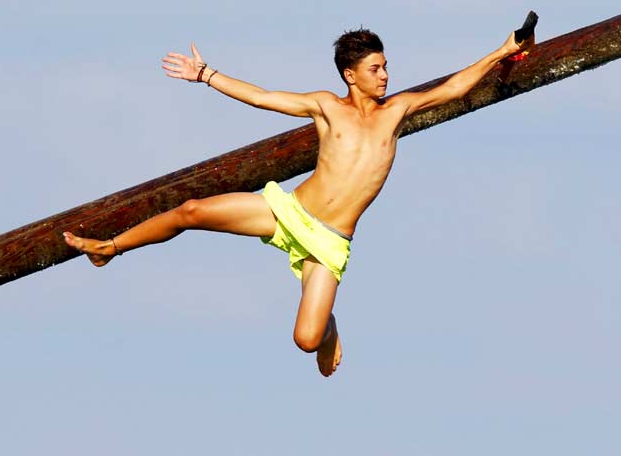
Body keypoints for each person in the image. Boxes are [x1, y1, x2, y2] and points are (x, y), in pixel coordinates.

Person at [64, 28, 524, 377]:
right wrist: (206, 75)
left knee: (306, 341)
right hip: (288, 212)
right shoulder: (327, 107)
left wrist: (503, 51)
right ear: (351, 75)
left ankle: (329, 328)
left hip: (329, 242)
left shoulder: (397, 112)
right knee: (192, 211)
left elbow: (455, 88)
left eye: (386, 67)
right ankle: (110, 249)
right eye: (375, 69)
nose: (386, 76)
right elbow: (264, 98)